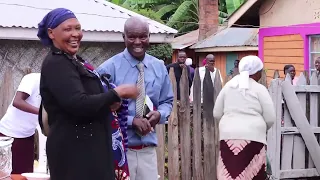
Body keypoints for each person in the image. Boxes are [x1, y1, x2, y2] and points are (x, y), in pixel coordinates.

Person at [37, 8, 138, 180]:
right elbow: (78, 104)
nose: (75, 34)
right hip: (75, 155)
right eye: (68, 29)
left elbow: (89, 99)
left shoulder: (75, 61)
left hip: (90, 150)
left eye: (77, 28)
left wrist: (110, 102)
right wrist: (116, 93)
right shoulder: (56, 63)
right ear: (51, 33)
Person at [97, 16, 173, 180]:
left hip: (148, 149)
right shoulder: (108, 69)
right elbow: (99, 106)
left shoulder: (159, 67)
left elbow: (168, 101)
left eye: (142, 36)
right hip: (119, 151)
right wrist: (131, 120)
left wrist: (159, 114)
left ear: (149, 37)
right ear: (123, 37)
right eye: (132, 37)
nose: (138, 42)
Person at [213, 55, 275, 180]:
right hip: (254, 138)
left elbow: (217, 113)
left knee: (230, 174)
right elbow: (270, 118)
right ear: (256, 72)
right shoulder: (260, 89)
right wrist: (260, 129)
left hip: (228, 137)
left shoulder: (228, 86)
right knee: (252, 174)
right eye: (260, 71)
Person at [0, 72, 41, 174]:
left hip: (28, 135)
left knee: (25, 174)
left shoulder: (56, 86)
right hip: (9, 134)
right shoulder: (32, 78)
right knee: (6, 174)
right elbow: (17, 101)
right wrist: (42, 113)